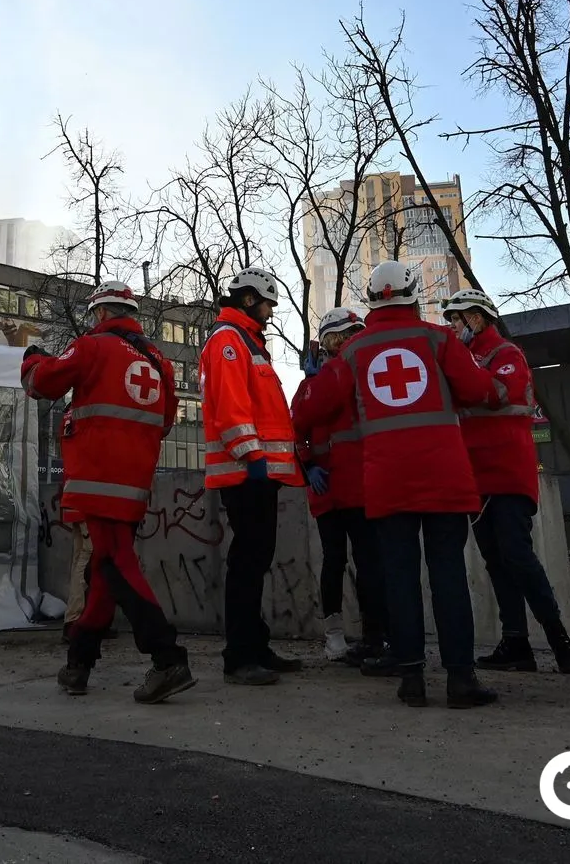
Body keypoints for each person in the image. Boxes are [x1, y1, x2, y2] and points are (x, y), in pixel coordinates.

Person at [297, 261, 498, 708]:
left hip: (387, 480)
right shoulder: (439, 339)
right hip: (443, 475)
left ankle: (410, 678)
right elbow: (479, 389)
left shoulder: (352, 351)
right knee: (448, 575)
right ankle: (461, 680)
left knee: (399, 577)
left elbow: (316, 407)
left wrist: (310, 382)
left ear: (372, 298)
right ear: (413, 295)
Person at [23, 280, 195, 704]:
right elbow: (167, 422)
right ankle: (79, 663)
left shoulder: (91, 346)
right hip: (135, 480)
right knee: (103, 570)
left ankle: (167, 657)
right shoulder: (160, 363)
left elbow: (43, 383)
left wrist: (31, 359)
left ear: (100, 313)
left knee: (115, 564)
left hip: (96, 477)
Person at [442, 288, 570, 676]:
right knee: (496, 561)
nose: (454, 327)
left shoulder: (505, 354)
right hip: (478, 476)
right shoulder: (465, 359)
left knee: (517, 556)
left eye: (459, 319)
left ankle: (559, 641)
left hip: (507, 472)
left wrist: (462, 372)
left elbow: (502, 393)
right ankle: (516, 643)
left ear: (479, 318)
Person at [199, 265, 305, 685]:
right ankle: (240, 657)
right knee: (247, 563)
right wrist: (252, 455)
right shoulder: (229, 341)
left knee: (255, 561)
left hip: (258, 474)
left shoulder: (248, 342)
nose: (271, 312)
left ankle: (255, 647)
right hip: (247, 474)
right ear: (248, 300)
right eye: (267, 303)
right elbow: (230, 406)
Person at [291, 306, 389, 666]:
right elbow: (297, 428)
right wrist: (308, 467)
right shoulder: (317, 382)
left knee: (368, 560)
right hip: (327, 486)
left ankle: (374, 634)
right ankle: (335, 634)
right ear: (332, 341)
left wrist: (314, 383)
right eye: (347, 334)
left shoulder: (350, 375)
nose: (352, 340)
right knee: (335, 559)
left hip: (356, 482)